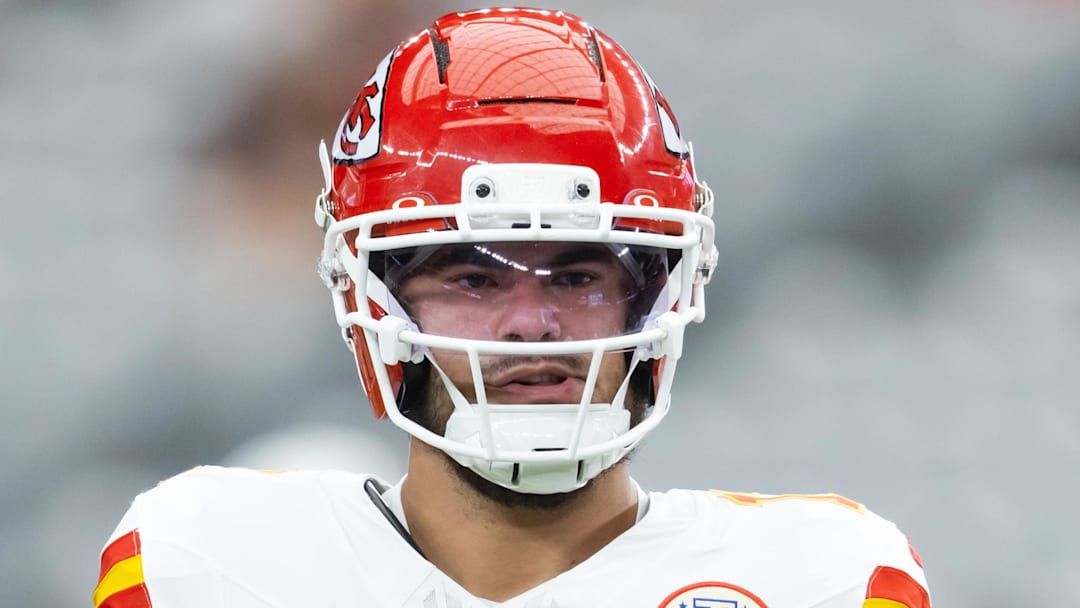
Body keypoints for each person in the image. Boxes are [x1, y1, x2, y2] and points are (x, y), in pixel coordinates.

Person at [93, 7, 931, 607]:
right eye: (474, 279)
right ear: (371, 299)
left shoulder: (825, 582)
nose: (532, 321)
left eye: (578, 278)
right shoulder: (206, 564)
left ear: (658, 300)